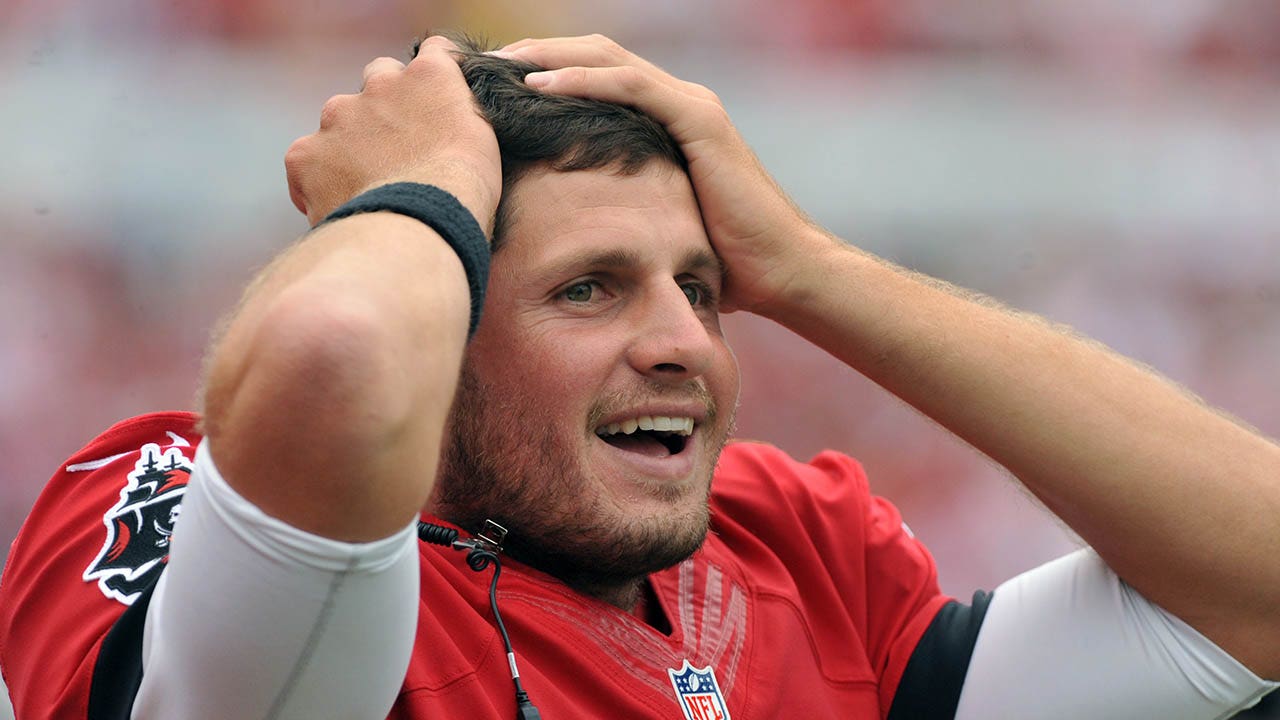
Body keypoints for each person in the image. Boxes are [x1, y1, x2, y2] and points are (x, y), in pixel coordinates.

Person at [0, 32, 1277, 720]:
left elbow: (1258, 578)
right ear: (440, 319)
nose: (683, 341)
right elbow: (334, 362)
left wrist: (809, 267)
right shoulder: (201, 513)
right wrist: (416, 193)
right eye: (588, 288)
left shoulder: (791, 556)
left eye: (703, 289)